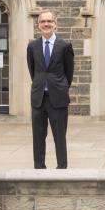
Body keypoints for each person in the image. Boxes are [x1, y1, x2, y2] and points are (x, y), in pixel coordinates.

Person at [27, 10, 74, 169]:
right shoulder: (32, 46)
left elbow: (69, 73)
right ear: (38, 25)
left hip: (58, 98)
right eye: (43, 22)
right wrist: (41, 85)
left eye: (49, 21)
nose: (46, 24)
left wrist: (59, 87)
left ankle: (62, 168)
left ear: (55, 24)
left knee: (59, 136)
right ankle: (39, 168)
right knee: (38, 137)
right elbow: (33, 71)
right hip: (39, 98)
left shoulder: (65, 46)